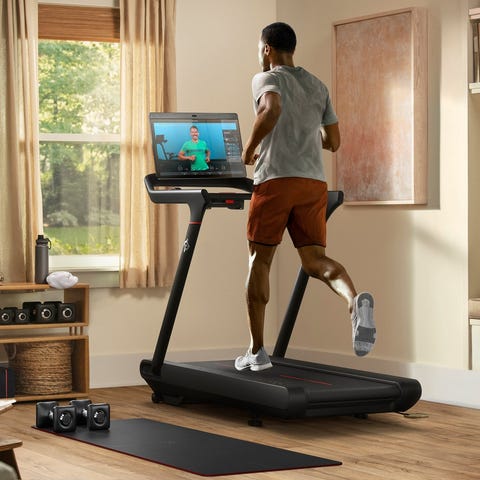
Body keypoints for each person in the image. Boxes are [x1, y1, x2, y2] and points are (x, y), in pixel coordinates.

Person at [235, 22, 376, 372]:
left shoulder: (266, 78)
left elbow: (271, 110)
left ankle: (256, 351)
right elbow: (335, 141)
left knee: (259, 262)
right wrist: (309, 136)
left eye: (259, 49)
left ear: (266, 48)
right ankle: (354, 300)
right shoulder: (317, 85)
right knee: (315, 262)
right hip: (313, 184)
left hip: (276, 182)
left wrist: (249, 150)